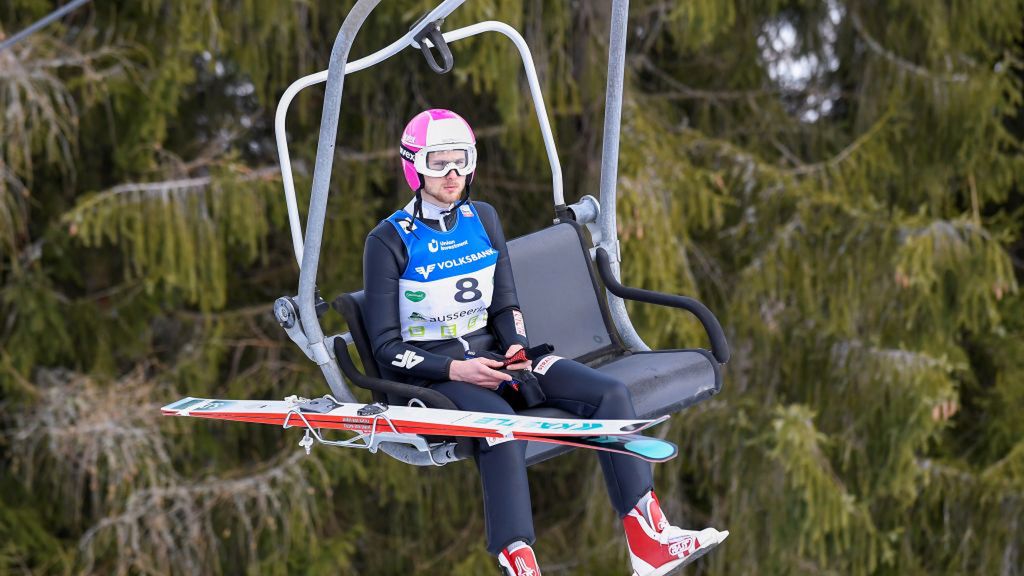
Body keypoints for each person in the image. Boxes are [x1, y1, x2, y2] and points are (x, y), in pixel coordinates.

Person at [362, 108, 728, 576]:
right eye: (438, 163)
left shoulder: (484, 218)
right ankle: (520, 561)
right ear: (414, 165)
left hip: (496, 358)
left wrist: (515, 349)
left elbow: (504, 303)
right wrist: (456, 369)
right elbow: (386, 348)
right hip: (436, 374)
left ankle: (648, 540)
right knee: (499, 424)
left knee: (609, 394)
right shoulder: (388, 240)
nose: (452, 175)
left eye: (462, 161)